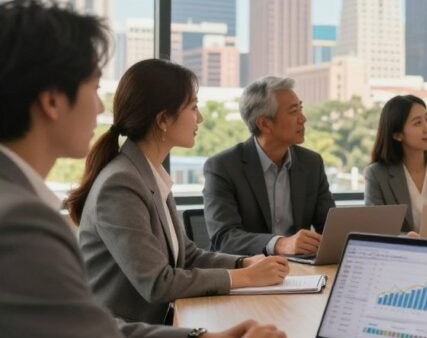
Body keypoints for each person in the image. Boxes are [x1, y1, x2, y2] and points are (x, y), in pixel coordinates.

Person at [0, 0, 291, 338]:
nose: (101, 108)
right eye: (94, 86)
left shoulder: (23, 204)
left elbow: (90, 328)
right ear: (51, 100)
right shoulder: (20, 222)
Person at [68, 59, 290, 324]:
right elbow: (158, 283)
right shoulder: (121, 185)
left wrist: (244, 263)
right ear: (163, 120)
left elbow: (188, 256)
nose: (200, 118)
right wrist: (245, 278)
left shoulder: (147, 174)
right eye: (194, 107)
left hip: (157, 330)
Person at [203, 76, 335, 255]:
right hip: (247, 271)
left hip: (301, 269)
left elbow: (330, 227)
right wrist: (280, 244)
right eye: (293, 111)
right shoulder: (223, 167)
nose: (303, 119)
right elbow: (224, 237)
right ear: (264, 124)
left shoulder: (311, 163)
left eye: (301, 109)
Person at [364, 95, 427, 233]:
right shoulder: (377, 174)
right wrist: (407, 240)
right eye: (417, 123)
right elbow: (376, 231)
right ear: (397, 135)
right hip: (401, 253)